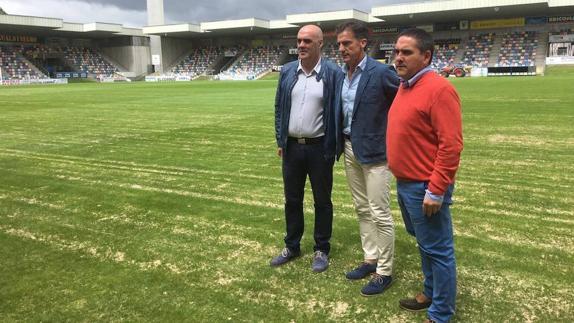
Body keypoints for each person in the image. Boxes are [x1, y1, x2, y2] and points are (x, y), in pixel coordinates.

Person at [387, 28, 463, 323]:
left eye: (407, 52)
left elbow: (451, 145)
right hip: (406, 183)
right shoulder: (405, 85)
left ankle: (441, 313)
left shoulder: (439, 89)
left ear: (426, 56)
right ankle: (431, 291)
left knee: (439, 249)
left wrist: (436, 189)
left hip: (424, 187)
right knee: (425, 244)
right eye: (396, 51)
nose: (398, 57)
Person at [335, 21, 399, 296]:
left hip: (376, 153)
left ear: (362, 43)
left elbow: (403, 107)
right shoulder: (342, 74)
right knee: (361, 208)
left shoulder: (382, 72)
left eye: (346, 43)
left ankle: (384, 271)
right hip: (349, 148)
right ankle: (370, 259)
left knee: (379, 213)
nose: (341, 49)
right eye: (339, 44)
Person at [271, 24, 342, 273]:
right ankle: (292, 246)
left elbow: (337, 111)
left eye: (307, 41)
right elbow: (279, 107)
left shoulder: (333, 73)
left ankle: (321, 248)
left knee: (322, 201)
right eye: (299, 40)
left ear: (320, 44)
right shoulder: (289, 71)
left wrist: (334, 145)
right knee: (292, 199)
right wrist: (281, 140)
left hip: (319, 148)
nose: (301, 45)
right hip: (291, 148)